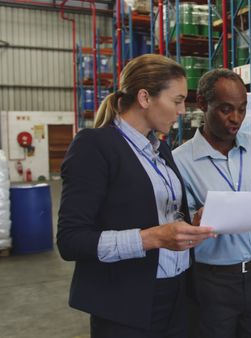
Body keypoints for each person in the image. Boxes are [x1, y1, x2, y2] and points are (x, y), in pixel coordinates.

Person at [57, 54, 215, 338]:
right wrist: (153, 237)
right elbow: (71, 241)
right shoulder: (94, 147)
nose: (182, 111)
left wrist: (191, 223)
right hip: (127, 305)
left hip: (176, 296)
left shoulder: (161, 150)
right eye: (177, 101)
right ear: (145, 98)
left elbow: (156, 213)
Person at [172, 68, 251, 338]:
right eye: (226, 109)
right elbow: (173, 227)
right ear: (202, 105)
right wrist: (194, 222)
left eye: (242, 109)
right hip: (210, 282)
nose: (236, 119)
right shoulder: (179, 162)